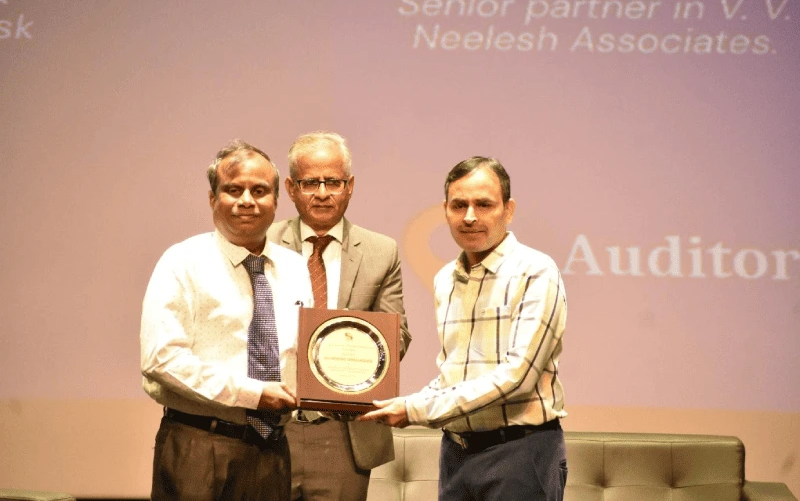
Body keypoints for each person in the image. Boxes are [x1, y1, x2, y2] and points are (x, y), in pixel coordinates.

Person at [360, 156, 568, 501]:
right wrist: (398, 402)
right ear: (446, 211)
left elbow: (517, 377)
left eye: (483, 204)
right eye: (460, 205)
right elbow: (452, 374)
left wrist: (414, 409)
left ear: (508, 209)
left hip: (520, 453)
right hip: (456, 454)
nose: (470, 216)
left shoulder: (536, 271)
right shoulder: (446, 279)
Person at [140, 140, 313, 501]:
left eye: (260, 190)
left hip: (272, 448)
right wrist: (253, 394)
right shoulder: (183, 261)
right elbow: (162, 359)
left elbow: (305, 353)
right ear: (212, 199)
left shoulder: (294, 267)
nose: (247, 200)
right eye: (233, 189)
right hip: (200, 444)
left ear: (276, 201)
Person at [268, 131, 412, 501]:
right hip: (270, 425)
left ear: (349, 186)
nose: (321, 192)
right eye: (310, 182)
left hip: (343, 432)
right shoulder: (263, 244)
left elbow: (398, 337)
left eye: (332, 181)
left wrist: (355, 348)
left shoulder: (381, 251)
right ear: (290, 187)